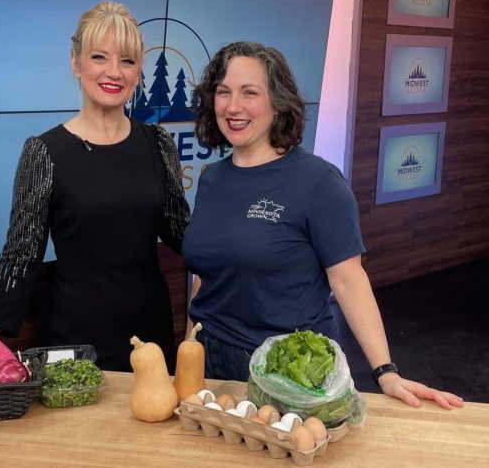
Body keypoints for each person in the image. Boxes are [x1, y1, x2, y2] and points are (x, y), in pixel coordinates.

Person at [182, 41, 462, 409]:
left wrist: (385, 371)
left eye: (250, 93)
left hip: (287, 368)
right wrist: (188, 352)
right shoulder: (212, 179)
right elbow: (204, 276)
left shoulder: (318, 182)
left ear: (277, 101)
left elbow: (349, 280)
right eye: (224, 93)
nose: (234, 106)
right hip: (209, 360)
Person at [0, 1, 190, 372]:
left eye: (127, 61)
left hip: (150, 335)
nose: (114, 72)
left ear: (139, 70)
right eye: (99, 57)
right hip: (73, 338)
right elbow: (22, 253)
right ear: (76, 63)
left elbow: (182, 233)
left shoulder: (158, 143)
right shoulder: (44, 151)